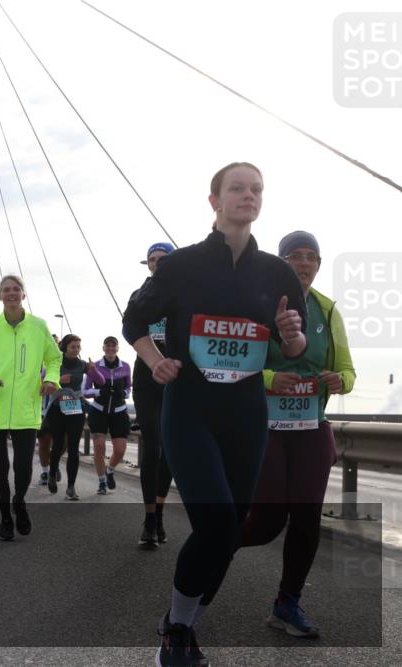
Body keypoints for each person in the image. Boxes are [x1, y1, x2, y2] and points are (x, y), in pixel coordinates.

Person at [123, 162, 307, 667]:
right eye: (238, 188)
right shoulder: (181, 265)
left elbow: (294, 348)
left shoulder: (277, 273)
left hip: (246, 413)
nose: (249, 196)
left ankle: (182, 625)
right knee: (218, 524)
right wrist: (155, 361)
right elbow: (134, 320)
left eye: (257, 189)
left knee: (229, 531)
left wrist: (291, 335)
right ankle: (177, 631)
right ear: (214, 201)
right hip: (190, 410)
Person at [239, 231, 355, 638]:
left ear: (318, 264)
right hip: (264, 426)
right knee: (267, 521)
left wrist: (339, 381)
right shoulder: (257, 304)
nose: (304, 263)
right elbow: (238, 365)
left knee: (307, 519)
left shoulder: (327, 309)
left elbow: (348, 371)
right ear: (280, 261)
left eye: (311, 257)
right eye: (295, 256)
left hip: (311, 426)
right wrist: (271, 378)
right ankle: (212, 549)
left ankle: (287, 604)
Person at [0, 275, 61, 541]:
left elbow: (54, 359)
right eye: (6, 290)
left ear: (23, 294)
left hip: (26, 410)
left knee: (23, 468)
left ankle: (19, 500)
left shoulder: (39, 326)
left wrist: (51, 379)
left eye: (16, 289)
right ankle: (5, 518)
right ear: (0, 296)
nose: (11, 293)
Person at [132, 242, 177, 547]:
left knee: (170, 451)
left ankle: (159, 512)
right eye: (152, 259)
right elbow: (130, 328)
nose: (157, 263)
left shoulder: (187, 295)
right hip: (146, 378)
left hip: (176, 379)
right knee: (152, 448)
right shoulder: (140, 295)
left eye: (163, 259)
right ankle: (149, 519)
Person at [83, 337, 132, 495]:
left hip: (119, 412)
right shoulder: (95, 366)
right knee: (99, 447)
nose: (111, 348)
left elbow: (129, 389)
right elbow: (85, 391)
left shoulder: (126, 366)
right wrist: (99, 392)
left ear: (117, 348)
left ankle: (110, 470)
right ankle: (102, 482)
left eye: (113, 346)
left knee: (120, 450)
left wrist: (123, 393)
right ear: (103, 348)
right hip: (99, 411)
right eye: (108, 346)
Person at [43, 334, 88, 500]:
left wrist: (94, 370)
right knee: (58, 444)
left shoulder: (82, 364)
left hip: (76, 408)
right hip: (58, 408)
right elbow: (42, 381)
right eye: (73, 347)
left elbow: (100, 381)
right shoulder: (55, 363)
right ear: (64, 348)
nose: (76, 350)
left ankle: (71, 487)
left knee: (74, 448)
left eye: (78, 347)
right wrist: (59, 379)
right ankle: (52, 474)